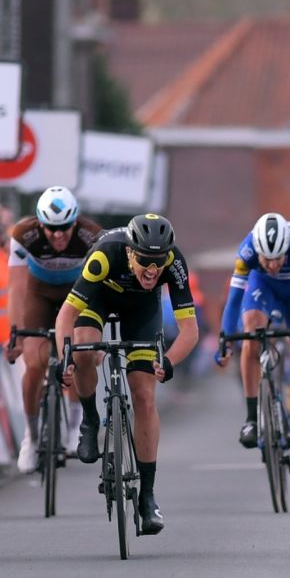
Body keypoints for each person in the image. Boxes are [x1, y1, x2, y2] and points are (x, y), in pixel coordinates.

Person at [56, 214, 198, 535]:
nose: (152, 269)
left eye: (158, 262)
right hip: (99, 299)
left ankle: (147, 497)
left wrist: (169, 361)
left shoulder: (174, 262)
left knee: (145, 397)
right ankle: (90, 419)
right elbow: (67, 315)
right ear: (131, 252)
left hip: (142, 311)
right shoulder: (105, 254)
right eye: (145, 260)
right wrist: (65, 357)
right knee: (84, 350)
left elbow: (190, 330)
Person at [4, 187, 102, 473]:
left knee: (77, 357)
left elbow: (99, 290)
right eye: (51, 229)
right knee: (34, 363)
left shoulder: (92, 235)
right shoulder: (23, 234)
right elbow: (16, 288)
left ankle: (74, 423)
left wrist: (96, 340)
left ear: (75, 222)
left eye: (65, 228)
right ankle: (31, 436)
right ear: (39, 223)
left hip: (77, 296)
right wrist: (16, 334)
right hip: (39, 296)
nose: (58, 235)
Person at [215, 212, 290, 477]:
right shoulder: (247, 251)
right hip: (264, 289)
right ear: (257, 252)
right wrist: (225, 340)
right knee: (251, 333)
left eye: (278, 259)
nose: (272, 265)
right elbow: (234, 301)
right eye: (266, 260)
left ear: (287, 251)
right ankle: (251, 418)